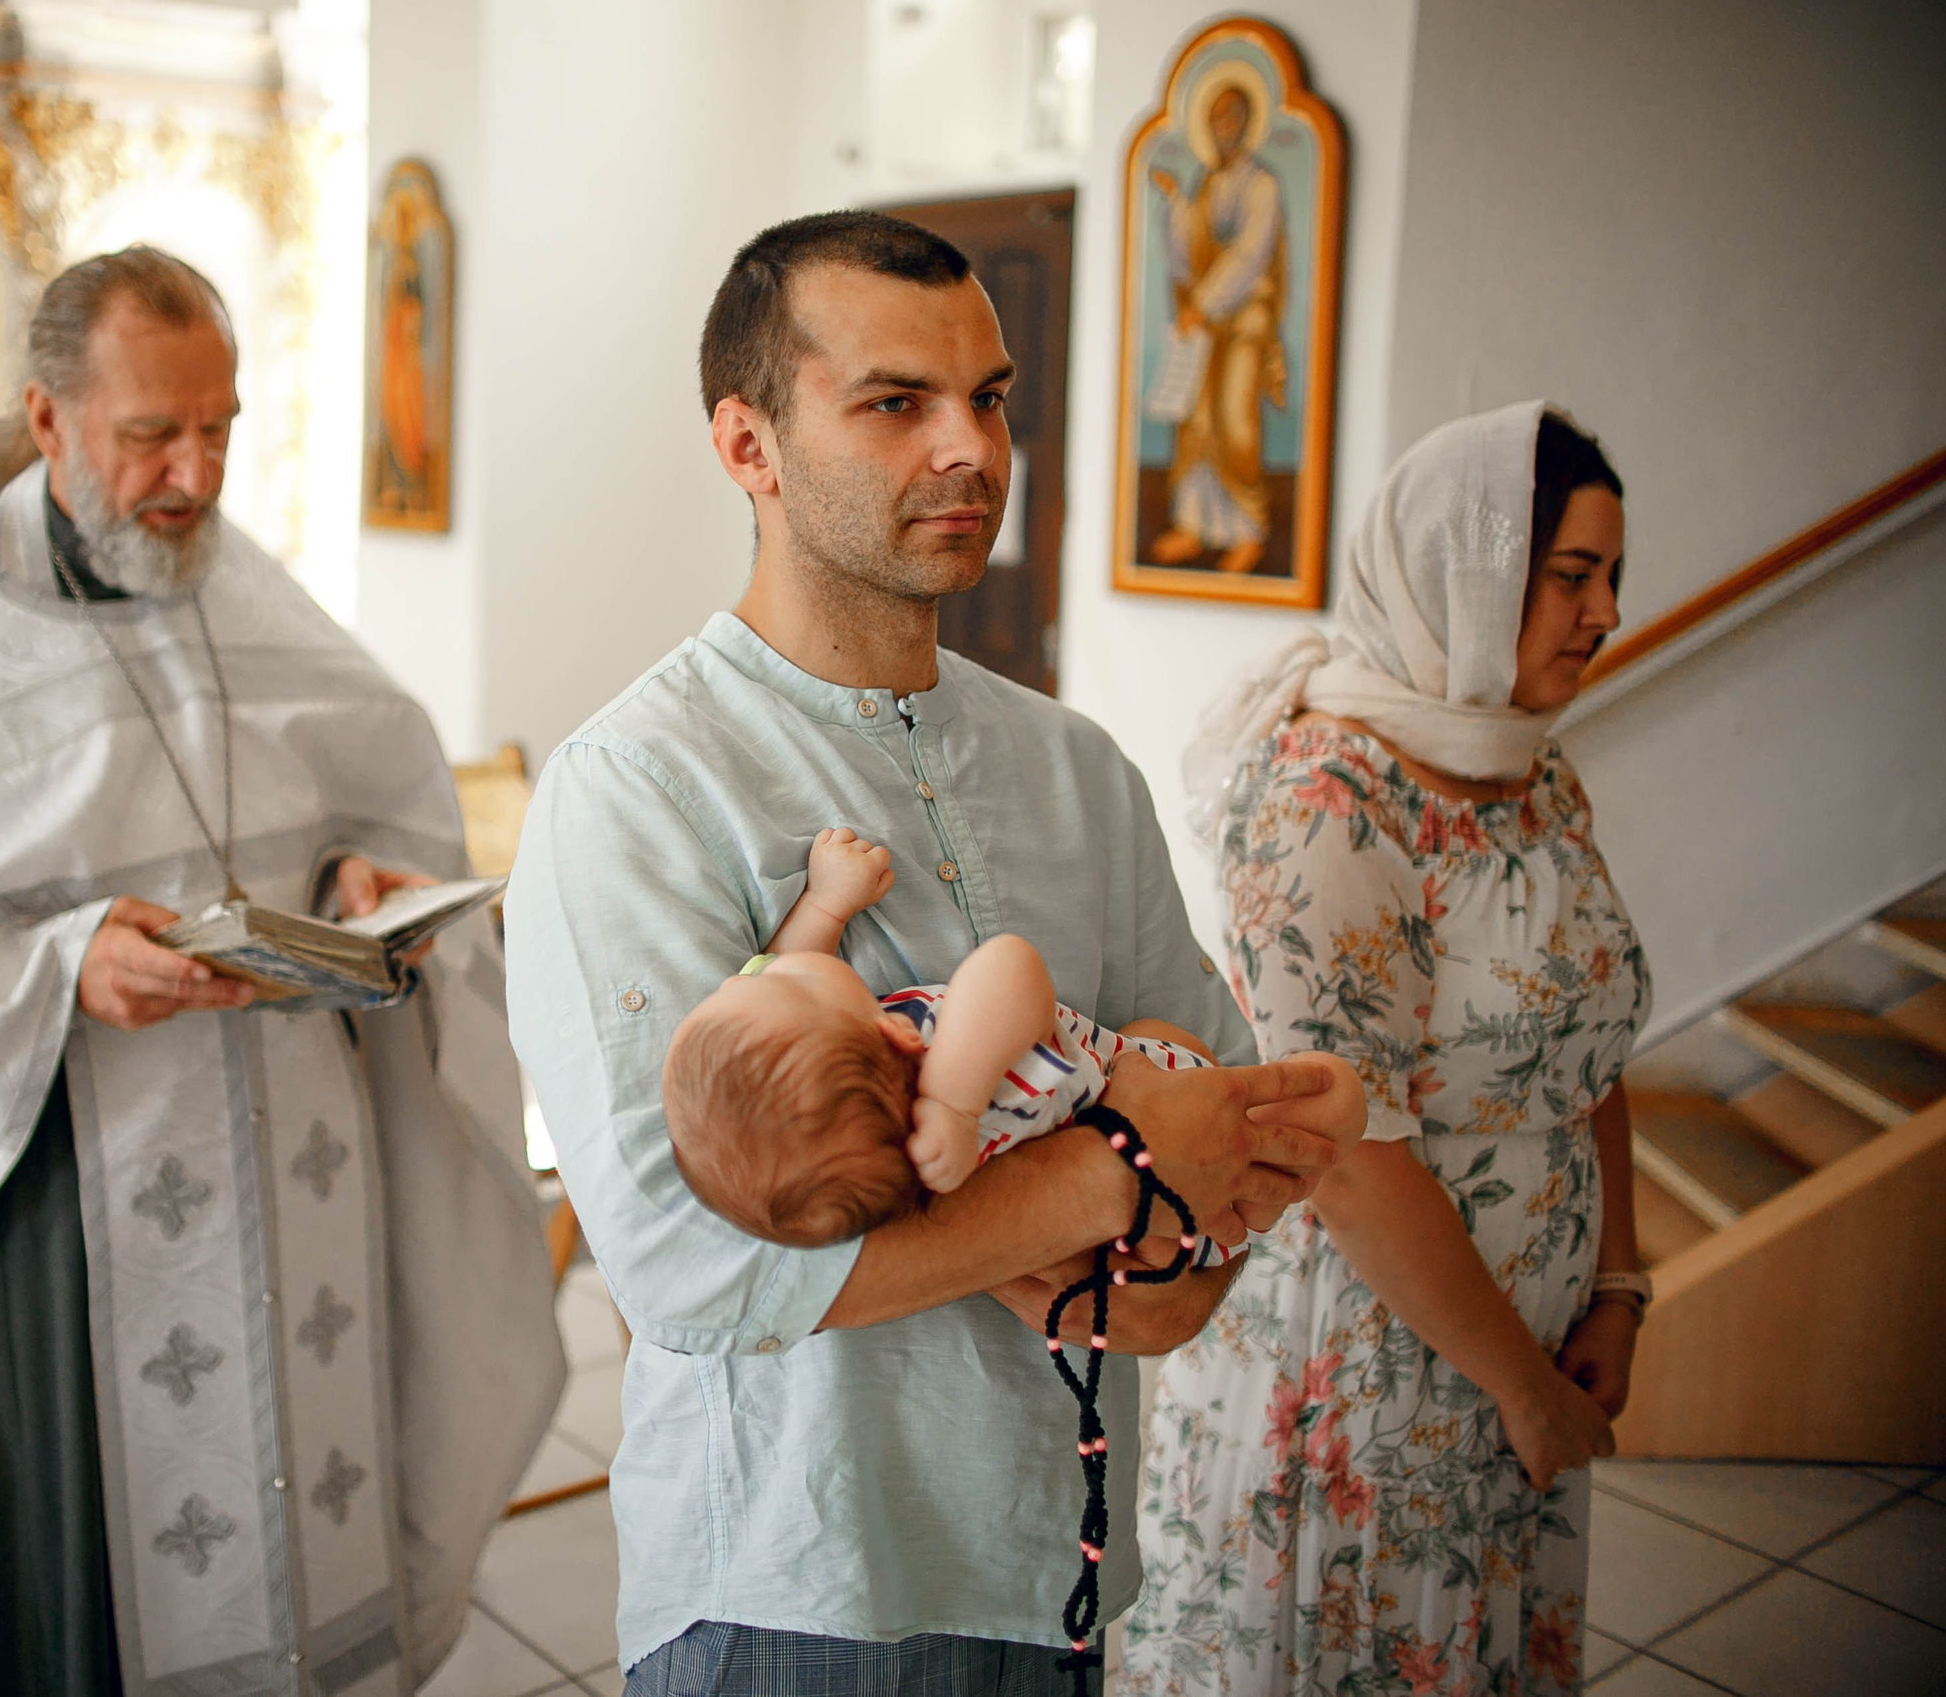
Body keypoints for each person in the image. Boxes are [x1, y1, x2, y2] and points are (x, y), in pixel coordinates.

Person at [0, 246, 564, 1697]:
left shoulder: (243, 597)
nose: (195, 474)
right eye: (152, 432)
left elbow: (360, 794)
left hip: (300, 1182)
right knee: (97, 1591)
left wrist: (359, 883)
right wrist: (58, 965)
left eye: (219, 429)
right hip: (66, 1211)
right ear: (45, 418)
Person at [503, 209, 1343, 1697]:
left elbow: (1233, 1161)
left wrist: (1140, 1213)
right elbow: (691, 1263)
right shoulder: (635, 783)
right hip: (794, 1586)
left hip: (1056, 1567)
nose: (971, 448)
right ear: (749, 444)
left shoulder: (1078, 769)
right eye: (895, 402)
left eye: (990, 397)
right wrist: (1111, 1172)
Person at [1125, 404, 1649, 1696]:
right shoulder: (1325, 794)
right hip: (1373, 1364)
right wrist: (1522, 1384)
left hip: (1526, 1344)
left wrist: (1618, 1285)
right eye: (1572, 574)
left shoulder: (1539, 776)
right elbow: (1349, 1156)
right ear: (1463, 574)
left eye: (1611, 576)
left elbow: (1589, 1049)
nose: (1605, 612)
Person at [663, 828, 1366, 1246]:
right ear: (895, 1034)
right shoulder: (947, 1066)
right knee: (1333, 1094)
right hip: (1166, 1139)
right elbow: (1013, 966)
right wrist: (951, 1102)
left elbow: (794, 982)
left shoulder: (859, 1079)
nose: (751, 973)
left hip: (1138, 1075)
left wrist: (825, 904)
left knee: (1167, 1045)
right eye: (774, 984)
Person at [1148, 81, 1285, 573]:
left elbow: (1250, 254)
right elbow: (1191, 251)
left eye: (1230, 118)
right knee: (1197, 420)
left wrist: (1205, 303)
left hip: (1244, 319)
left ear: (1246, 123)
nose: (1222, 128)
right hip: (1204, 325)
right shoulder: (1206, 186)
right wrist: (1174, 203)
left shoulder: (1261, 185)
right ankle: (1194, 524)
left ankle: (1247, 528)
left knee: (1234, 416)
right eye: (1215, 119)